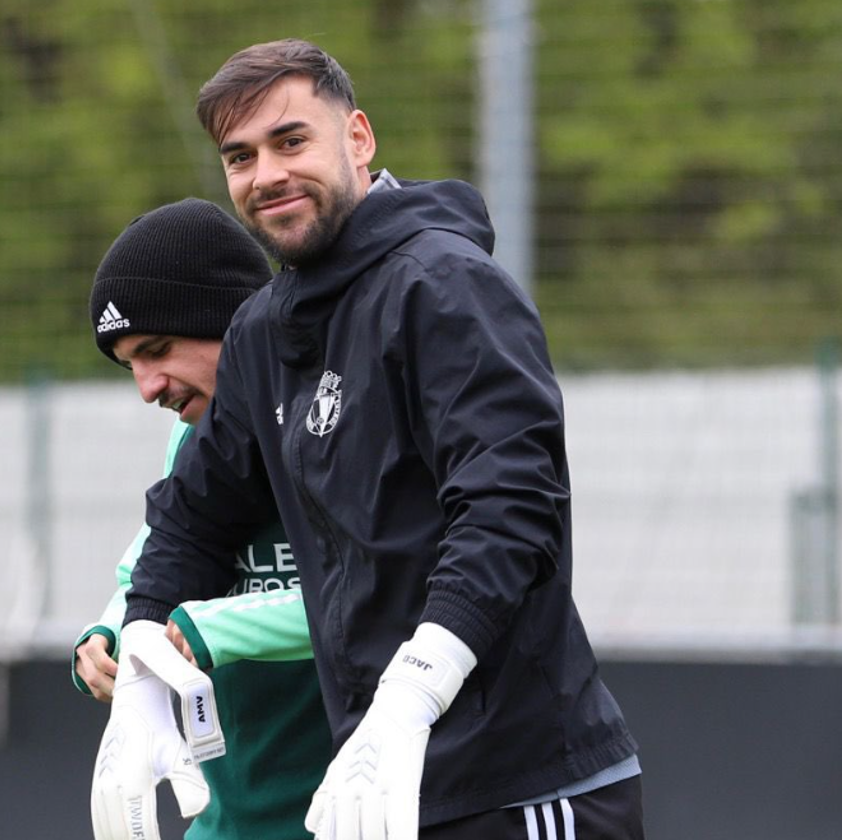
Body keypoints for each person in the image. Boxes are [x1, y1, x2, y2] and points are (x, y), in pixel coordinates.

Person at [104, 39, 645, 840]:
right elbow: (194, 513)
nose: (268, 174)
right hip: (374, 793)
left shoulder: (446, 285)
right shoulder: (262, 330)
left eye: (292, 141)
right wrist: (142, 649)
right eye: (241, 157)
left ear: (357, 139)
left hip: (520, 786)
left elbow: (510, 511)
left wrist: (412, 696)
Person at [74, 198, 332, 840]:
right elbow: (154, 566)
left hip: (350, 811)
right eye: (129, 363)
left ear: (233, 320)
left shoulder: (332, 424)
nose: (147, 387)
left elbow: (383, 598)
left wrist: (203, 626)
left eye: (157, 349)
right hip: (228, 819)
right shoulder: (192, 441)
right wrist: (111, 633)